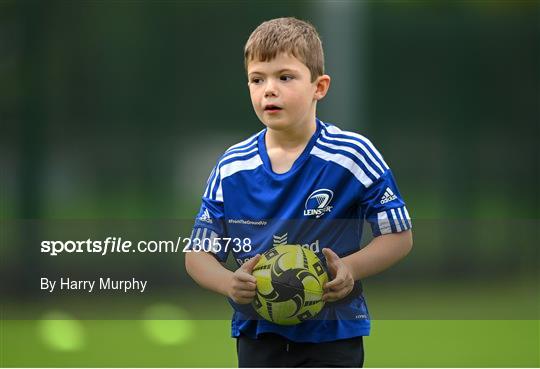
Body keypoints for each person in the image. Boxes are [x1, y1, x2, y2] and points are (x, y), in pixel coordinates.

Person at [185, 17, 413, 367]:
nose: (269, 89)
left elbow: (399, 236)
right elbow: (198, 255)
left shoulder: (352, 155)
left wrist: (349, 268)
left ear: (319, 87)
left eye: (285, 77)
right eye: (257, 79)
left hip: (334, 332)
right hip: (258, 333)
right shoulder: (231, 167)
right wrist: (229, 283)